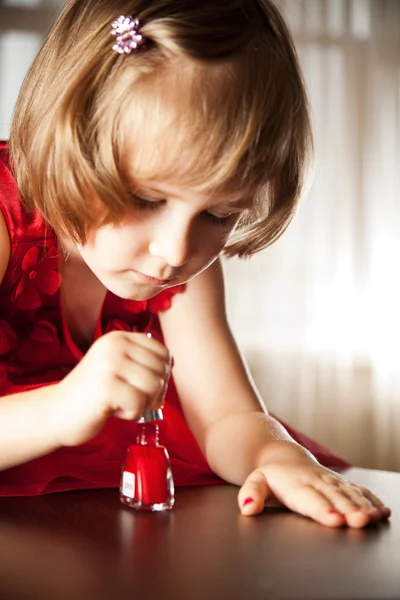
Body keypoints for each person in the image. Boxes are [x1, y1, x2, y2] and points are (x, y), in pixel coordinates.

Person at [0, 0, 390, 528]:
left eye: (219, 213)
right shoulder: (7, 222)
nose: (176, 252)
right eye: (144, 198)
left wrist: (273, 456)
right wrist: (62, 409)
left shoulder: (173, 264)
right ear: (71, 140)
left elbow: (228, 415)